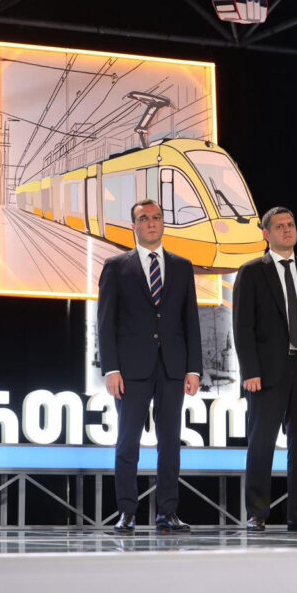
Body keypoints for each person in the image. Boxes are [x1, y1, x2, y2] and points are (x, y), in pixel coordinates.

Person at [97, 199, 202, 533]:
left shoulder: (182, 266)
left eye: (157, 217)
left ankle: (167, 512)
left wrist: (194, 368)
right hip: (130, 369)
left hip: (172, 367)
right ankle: (127, 511)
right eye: (144, 218)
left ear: (163, 223)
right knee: (128, 441)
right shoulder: (116, 266)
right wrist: (111, 369)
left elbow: (190, 320)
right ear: (134, 226)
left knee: (170, 442)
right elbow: (106, 322)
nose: (152, 222)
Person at [232, 207, 297, 532]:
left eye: (290, 224)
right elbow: (242, 327)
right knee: (261, 444)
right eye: (279, 226)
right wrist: (250, 370)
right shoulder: (251, 272)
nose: (287, 230)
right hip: (266, 373)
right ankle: (257, 513)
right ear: (266, 234)